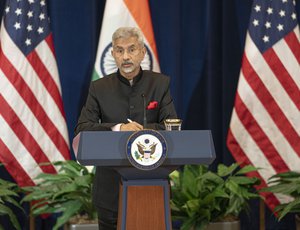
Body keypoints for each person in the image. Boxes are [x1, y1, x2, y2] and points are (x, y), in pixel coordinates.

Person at [74, 27, 177, 230]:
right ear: (113, 54)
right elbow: (83, 129)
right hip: (110, 189)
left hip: (152, 186)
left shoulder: (159, 84)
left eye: (132, 49)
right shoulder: (99, 88)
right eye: (120, 51)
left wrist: (142, 131)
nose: (126, 56)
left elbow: (171, 126)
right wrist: (118, 128)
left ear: (142, 52)